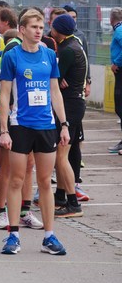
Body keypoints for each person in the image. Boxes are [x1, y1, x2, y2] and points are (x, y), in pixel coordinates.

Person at [0, 9, 71, 255]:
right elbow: (4, 95)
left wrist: (64, 124)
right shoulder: (12, 56)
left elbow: (55, 92)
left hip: (46, 126)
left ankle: (49, 236)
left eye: (41, 27)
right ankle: (13, 235)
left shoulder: (49, 54)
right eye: (33, 27)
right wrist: (4, 130)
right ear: (22, 30)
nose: (39, 31)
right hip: (20, 125)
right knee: (17, 180)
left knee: (45, 182)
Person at [50, 14, 87, 217]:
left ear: (58, 30)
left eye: (52, 27)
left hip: (70, 105)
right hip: (75, 102)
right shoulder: (74, 44)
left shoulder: (67, 50)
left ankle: (73, 203)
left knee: (61, 155)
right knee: (62, 153)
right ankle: (60, 196)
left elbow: (54, 78)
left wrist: (58, 78)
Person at [109, 8, 122, 154]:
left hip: (120, 70)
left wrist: (116, 63)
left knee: (120, 106)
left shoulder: (119, 31)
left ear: (111, 19)